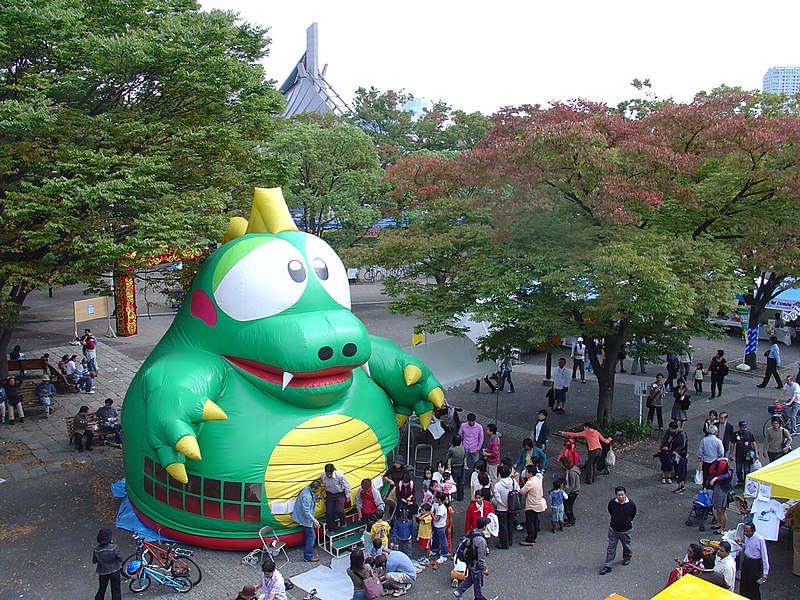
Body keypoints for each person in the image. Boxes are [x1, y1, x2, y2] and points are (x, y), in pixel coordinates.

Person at [599, 486, 636, 575]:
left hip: (625, 530)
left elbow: (633, 514)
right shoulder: (612, 503)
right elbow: (610, 511)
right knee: (611, 548)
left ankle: (627, 558)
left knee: (626, 545)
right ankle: (608, 565)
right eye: (619, 495)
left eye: (622, 495)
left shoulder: (631, 505)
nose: (620, 497)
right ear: (616, 495)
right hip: (613, 529)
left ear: (625, 494)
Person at [452, 517, 492, 600]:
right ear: (484, 527)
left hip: (469, 561)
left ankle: (459, 591)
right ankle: (479, 597)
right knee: (477, 581)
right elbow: (480, 558)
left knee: (471, 578)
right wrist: (484, 569)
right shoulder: (481, 540)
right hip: (475, 564)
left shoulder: (472, 532)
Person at [736, 522, 769, 600]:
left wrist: (765, 572)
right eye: (745, 531)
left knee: (753, 585)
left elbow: (764, 557)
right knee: (744, 582)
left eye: (748, 531)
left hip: (754, 563)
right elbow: (747, 547)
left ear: (753, 531)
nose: (746, 533)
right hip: (746, 561)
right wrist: (740, 544)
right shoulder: (746, 537)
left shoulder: (759, 539)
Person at [290, 480, 321, 563]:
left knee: (309, 535)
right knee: (311, 537)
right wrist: (314, 521)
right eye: (317, 489)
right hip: (305, 519)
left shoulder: (307, 489)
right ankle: (308, 556)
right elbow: (306, 512)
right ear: (313, 489)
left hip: (303, 517)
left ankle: (308, 551)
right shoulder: (307, 497)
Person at [517, 464, 546, 545]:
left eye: (526, 472)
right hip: (538, 503)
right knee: (535, 521)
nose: (525, 474)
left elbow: (522, 492)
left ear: (530, 473)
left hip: (532, 504)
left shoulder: (529, 483)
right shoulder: (537, 479)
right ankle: (534, 536)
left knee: (530, 522)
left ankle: (530, 539)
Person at [492, 464, 518, 550]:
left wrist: (504, 505)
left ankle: (504, 543)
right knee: (510, 524)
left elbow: (498, 499)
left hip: (502, 508)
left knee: (503, 526)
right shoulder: (513, 482)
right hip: (512, 507)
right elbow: (518, 491)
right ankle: (510, 540)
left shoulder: (498, 485)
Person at [92, 528, 123, 600]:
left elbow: (94, 561)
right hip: (115, 571)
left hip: (103, 572)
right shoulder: (114, 548)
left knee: (102, 589)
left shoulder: (96, 550)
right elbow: (120, 559)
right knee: (116, 590)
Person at [321, 463, 350, 532]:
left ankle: (343, 521)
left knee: (339, 509)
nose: (328, 475)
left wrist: (347, 496)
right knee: (329, 512)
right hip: (330, 495)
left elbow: (346, 485)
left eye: (329, 474)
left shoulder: (339, 476)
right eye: (327, 474)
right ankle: (332, 528)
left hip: (339, 494)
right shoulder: (323, 476)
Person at [731, 420, 759, 488]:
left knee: (747, 469)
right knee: (738, 469)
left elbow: (753, 443)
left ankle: (746, 482)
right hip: (738, 455)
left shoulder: (749, 434)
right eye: (743, 427)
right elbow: (732, 444)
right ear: (740, 427)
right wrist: (731, 453)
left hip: (747, 455)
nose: (745, 428)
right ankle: (740, 481)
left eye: (745, 427)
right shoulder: (736, 434)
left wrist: (756, 453)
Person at [708, 457, 733, 532]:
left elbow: (726, 476)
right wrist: (717, 460)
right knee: (717, 507)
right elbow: (712, 465)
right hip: (718, 488)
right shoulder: (719, 467)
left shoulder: (730, 470)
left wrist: (716, 478)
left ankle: (723, 527)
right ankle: (719, 523)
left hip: (724, 490)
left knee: (722, 510)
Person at [560, 455, 581, 526]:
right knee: (568, 506)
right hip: (571, 491)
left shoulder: (572, 473)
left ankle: (571, 519)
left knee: (567, 507)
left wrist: (566, 493)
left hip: (573, 492)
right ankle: (571, 518)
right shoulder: (569, 470)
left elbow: (572, 485)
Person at [446, 434, 467, 501]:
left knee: (450, 481)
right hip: (460, 466)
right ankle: (460, 496)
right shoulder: (463, 448)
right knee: (460, 482)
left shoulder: (452, 450)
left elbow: (448, 456)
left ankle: (450, 496)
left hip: (453, 466)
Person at [430, 492, 449, 563]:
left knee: (443, 540)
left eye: (436, 498)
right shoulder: (436, 504)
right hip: (436, 525)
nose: (434, 499)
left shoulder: (442, 508)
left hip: (440, 526)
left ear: (439, 499)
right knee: (436, 538)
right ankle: (434, 549)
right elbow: (433, 507)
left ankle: (444, 554)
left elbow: (436, 519)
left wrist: (432, 514)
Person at [785, 502, 800, 577]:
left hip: (797, 531)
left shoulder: (796, 507)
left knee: (797, 551)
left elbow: (787, 514)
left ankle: (797, 570)